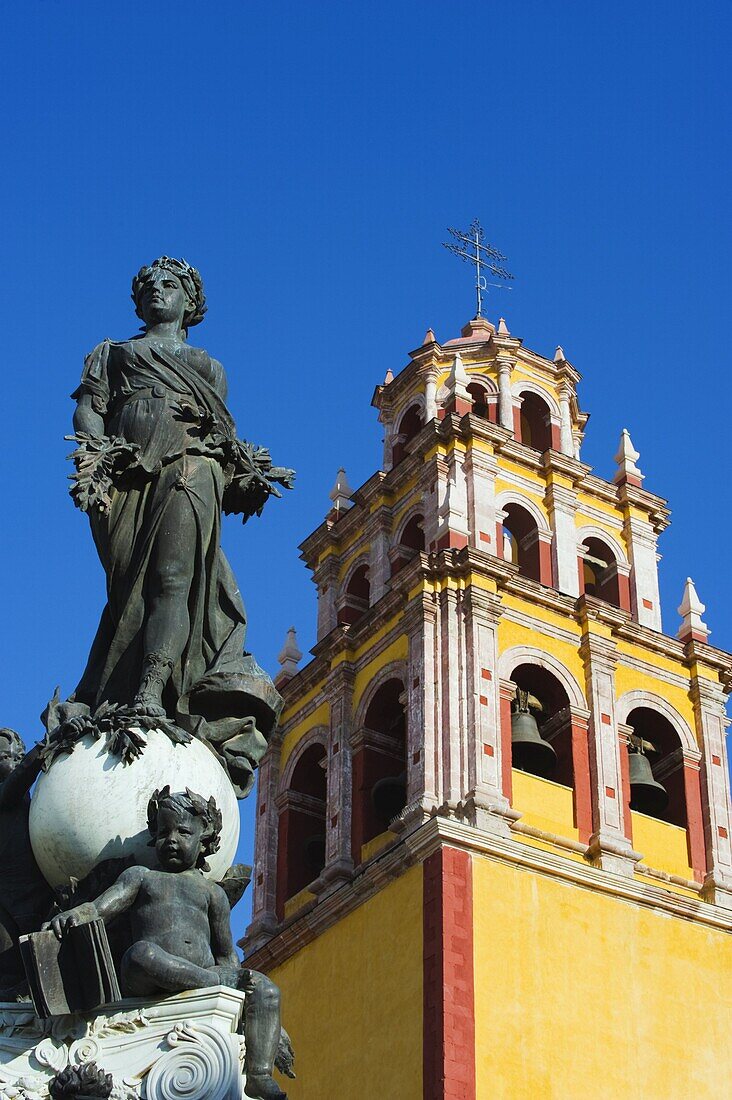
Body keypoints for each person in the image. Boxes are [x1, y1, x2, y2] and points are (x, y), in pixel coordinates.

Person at [67, 257, 292, 794]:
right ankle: (119, 682)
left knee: (175, 580)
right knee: (128, 591)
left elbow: (222, 431)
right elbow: (89, 411)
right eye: (147, 286)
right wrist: (96, 455)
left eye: (170, 285)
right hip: (125, 477)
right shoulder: (113, 353)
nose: (156, 292)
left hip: (192, 467)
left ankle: (151, 690)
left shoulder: (207, 367)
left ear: (191, 302)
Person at [48, 786, 289, 1100]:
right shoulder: (142, 877)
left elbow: (226, 954)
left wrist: (258, 1009)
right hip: (149, 975)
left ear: (205, 841)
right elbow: (101, 908)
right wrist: (75, 914)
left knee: (267, 989)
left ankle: (258, 1075)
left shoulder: (213, 893)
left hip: (205, 970)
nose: (171, 839)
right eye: (163, 832)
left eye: (183, 832)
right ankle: (209, 983)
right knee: (141, 953)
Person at [0, 728, 54, 998]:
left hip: (38, 894)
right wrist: (48, 744)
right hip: (7, 902)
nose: (16, 762)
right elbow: (19, 779)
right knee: (9, 973)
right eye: (7, 757)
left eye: (19, 755)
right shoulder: (6, 793)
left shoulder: (28, 800)